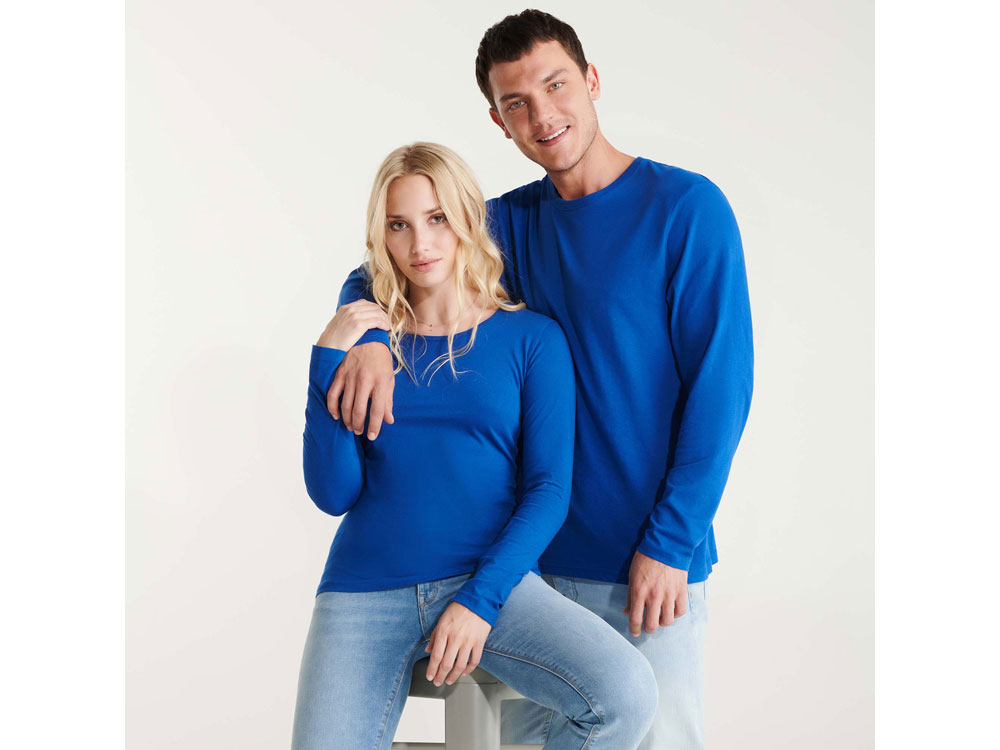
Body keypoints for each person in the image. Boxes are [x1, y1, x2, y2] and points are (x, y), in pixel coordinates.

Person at [332, 10, 755, 750]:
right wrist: (365, 338)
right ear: (499, 122)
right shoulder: (510, 225)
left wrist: (671, 543)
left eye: (556, 85)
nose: (543, 114)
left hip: (647, 561)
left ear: (591, 81)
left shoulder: (686, 211)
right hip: (530, 568)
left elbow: (722, 389)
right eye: (517, 102)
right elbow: (385, 265)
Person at [291, 141, 658, 750]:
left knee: (626, 693)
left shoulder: (531, 339)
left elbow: (548, 491)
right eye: (399, 226)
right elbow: (333, 494)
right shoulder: (367, 347)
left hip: (489, 580)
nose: (420, 243)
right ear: (381, 237)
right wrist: (327, 359)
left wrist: (480, 602)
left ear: (466, 217)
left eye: (437, 218)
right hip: (363, 587)